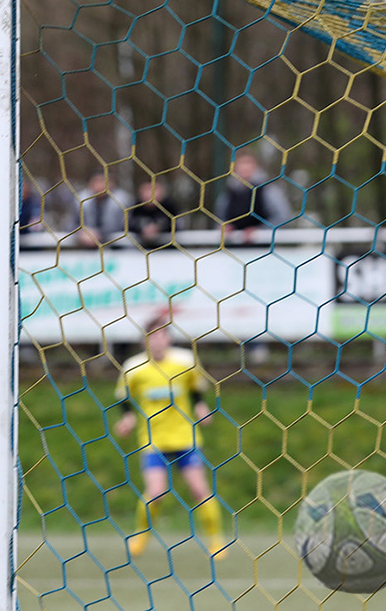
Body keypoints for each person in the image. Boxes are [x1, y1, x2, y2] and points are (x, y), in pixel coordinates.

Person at [113, 310, 225, 560]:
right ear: (144, 341)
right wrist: (127, 417)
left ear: (168, 338)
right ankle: (141, 535)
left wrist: (201, 406)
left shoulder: (185, 361)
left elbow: (196, 389)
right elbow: (123, 397)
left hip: (185, 437)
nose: (156, 341)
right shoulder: (133, 367)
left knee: (199, 490)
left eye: (160, 336)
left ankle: (216, 540)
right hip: (153, 440)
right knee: (156, 493)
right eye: (151, 337)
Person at [216, 151, 292, 240]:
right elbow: (220, 217)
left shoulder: (267, 189)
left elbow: (283, 217)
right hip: (233, 245)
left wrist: (259, 230)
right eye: (241, 163)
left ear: (255, 166)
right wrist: (226, 227)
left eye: (248, 163)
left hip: (262, 245)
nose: (245, 167)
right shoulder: (229, 192)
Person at [75, 172, 132, 247]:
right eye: (96, 181)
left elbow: (125, 226)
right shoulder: (81, 200)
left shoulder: (122, 201)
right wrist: (82, 232)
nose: (100, 185)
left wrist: (99, 234)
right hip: (86, 245)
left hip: (117, 246)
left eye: (103, 181)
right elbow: (72, 224)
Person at [128, 179, 179, 249]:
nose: (150, 193)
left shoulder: (169, 207)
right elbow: (129, 225)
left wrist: (159, 228)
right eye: (147, 189)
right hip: (140, 250)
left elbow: (177, 226)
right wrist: (142, 229)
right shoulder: (135, 208)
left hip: (167, 250)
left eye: (154, 189)